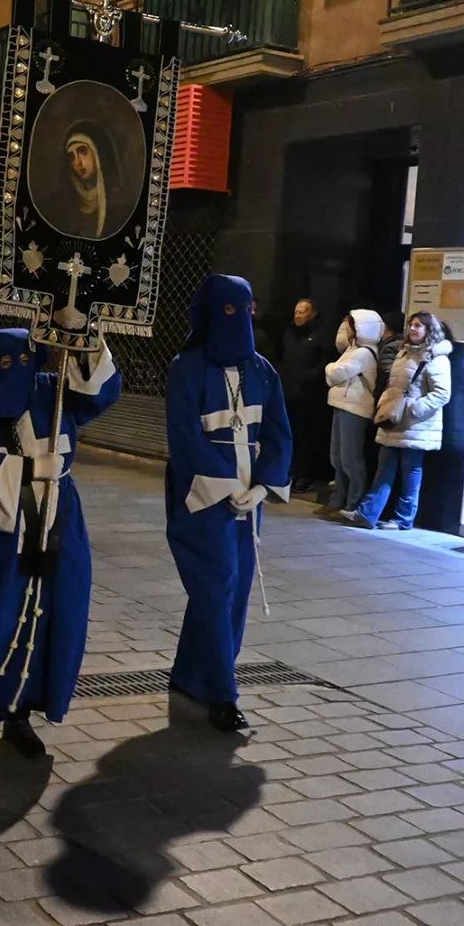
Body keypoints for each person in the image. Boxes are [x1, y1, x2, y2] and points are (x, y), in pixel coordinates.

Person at [0, 329, 121, 758]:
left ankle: (19, 716)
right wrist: (25, 469)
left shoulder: (53, 395)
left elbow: (99, 392)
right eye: (7, 363)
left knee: (50, 619)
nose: (17, 372)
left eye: (25, 361)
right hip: (0, 533)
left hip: (59, 522)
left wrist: (86, 339)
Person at [164, 275, 292, 732]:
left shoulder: (261, 370)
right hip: (203, 501)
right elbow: (184, 438)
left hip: (247, 502)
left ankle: (189, 674)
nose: (243, 319)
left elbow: (277, 431)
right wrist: (225, 487)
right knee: (217, 588)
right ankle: (222, 692)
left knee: (228, 595)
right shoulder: (187, 368)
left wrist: (263, 486)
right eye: (231, 310)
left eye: (248, 309)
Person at [348, 311, 451, 531]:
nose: (413, 329)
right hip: (394, 419)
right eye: (411, 325)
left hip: (415, 425)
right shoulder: (404, 352)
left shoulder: (435, 357)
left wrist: (413, 409)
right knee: (384, 468)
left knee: (411, 472)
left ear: (429, 330)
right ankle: (367, 514)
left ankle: (403, 518)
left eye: (418, 326)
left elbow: (442, 393)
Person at [323, 309, 383, 514]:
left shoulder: (364, 352)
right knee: (337, 457)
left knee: (350, 458)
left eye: (350, 324)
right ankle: (336, 501)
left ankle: (352, 503)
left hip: (356, 408)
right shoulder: (352, 349)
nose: (346, 328)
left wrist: (329, 367)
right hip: (343, 405)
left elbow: (336, 373)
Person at [277, 298, 331, 492]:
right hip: (288, 390)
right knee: (288, 433)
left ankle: (305, 474)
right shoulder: (290, 333)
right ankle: (288, 471)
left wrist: (307, 377)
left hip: (307, 394)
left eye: (302, 312)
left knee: (305, 436)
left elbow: (323, 363)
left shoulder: (320, 335)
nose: (297, 315)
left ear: (312, 314)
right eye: (296, 312)